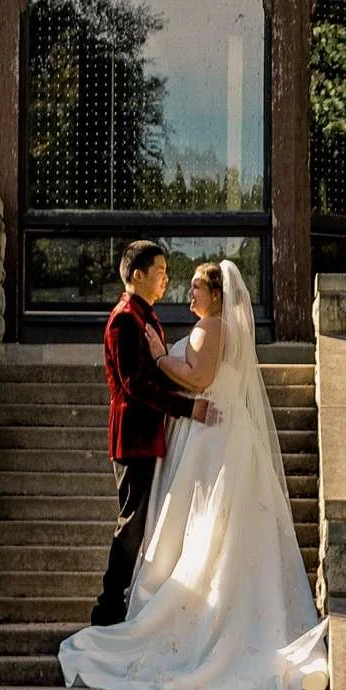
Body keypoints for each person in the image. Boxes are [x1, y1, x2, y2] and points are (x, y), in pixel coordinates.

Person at [61, 257, 330, 690]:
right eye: (171, 279)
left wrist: (163, 357)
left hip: (210, 434)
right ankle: (126, 601)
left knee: (196, 521)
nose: (186, 294)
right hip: (209, 431)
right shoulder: (190, 324)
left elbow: (201, 379)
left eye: (195, 288)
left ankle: (127, 606)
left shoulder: (210, 328)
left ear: (217, 294)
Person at [89, 238, 214, 627]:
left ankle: (121, 603)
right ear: (137, 275)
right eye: (159, 272)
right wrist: (187, 407)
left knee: (143, 521)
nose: (166, 278)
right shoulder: (126, 318)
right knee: (133, 522)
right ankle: (107, 607)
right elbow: (135, 385)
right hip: (133, 435)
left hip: (150, 433)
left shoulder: (144, 315)